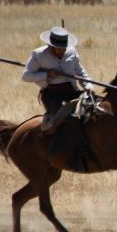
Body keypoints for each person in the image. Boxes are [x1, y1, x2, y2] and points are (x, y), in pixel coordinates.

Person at [22, 26, 93, 171]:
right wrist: (46, 75)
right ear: (50, 45)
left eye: (63, 48)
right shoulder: (38, 55)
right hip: (52, 94)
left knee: (92, 110)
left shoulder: (72, 52)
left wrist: (88, 84)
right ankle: (75, 154)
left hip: (72, 92)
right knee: (70, 118)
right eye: (58, 48)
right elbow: (26, 76)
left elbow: (80, 72)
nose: (61, 50)